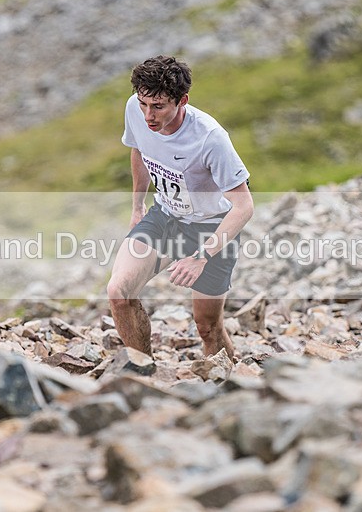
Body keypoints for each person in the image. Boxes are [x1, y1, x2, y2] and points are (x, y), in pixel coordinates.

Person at [107, 55, 254, 359]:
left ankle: (229, 382)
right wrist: (137, 206)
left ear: (182, 100)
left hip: (210, 227)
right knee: (119, 294)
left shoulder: (210, 138)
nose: (148, 114)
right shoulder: (135, 108)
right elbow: (139, 150)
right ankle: (143, 371)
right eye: (143, 103)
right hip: (165, 216)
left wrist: (201, 256)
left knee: (207, 327)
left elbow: (243, 206)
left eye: (158, 106)